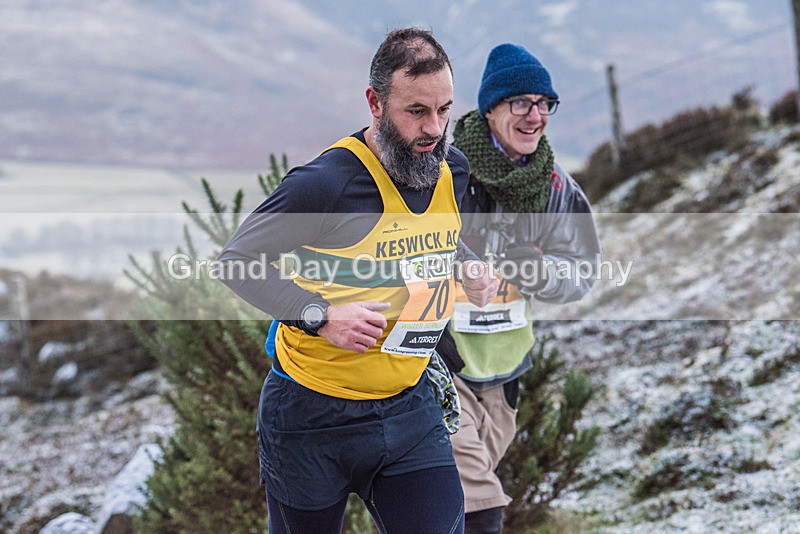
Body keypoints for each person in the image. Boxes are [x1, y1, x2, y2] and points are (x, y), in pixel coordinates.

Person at [217, 28, 499, 534]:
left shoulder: (450, 168)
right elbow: (236, 260)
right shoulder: (325, 184)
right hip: (310, 417)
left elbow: (436, 236)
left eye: (444, 109)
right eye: (416, 111)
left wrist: (468, 267)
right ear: (375, 102)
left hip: (410, 407)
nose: (433, 128)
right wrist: (319, 315)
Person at [435, 43, 601, 533]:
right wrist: (460, 267)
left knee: (442, 506)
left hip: (505, 372)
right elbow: (399, 245)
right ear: (491, 108)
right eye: (520, 103)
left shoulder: (554, 188)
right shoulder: (444, 171)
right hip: (439, 361)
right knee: (478, 501)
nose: (535, 115)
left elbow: (582, 272)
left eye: (544, 103)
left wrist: (535, 271)